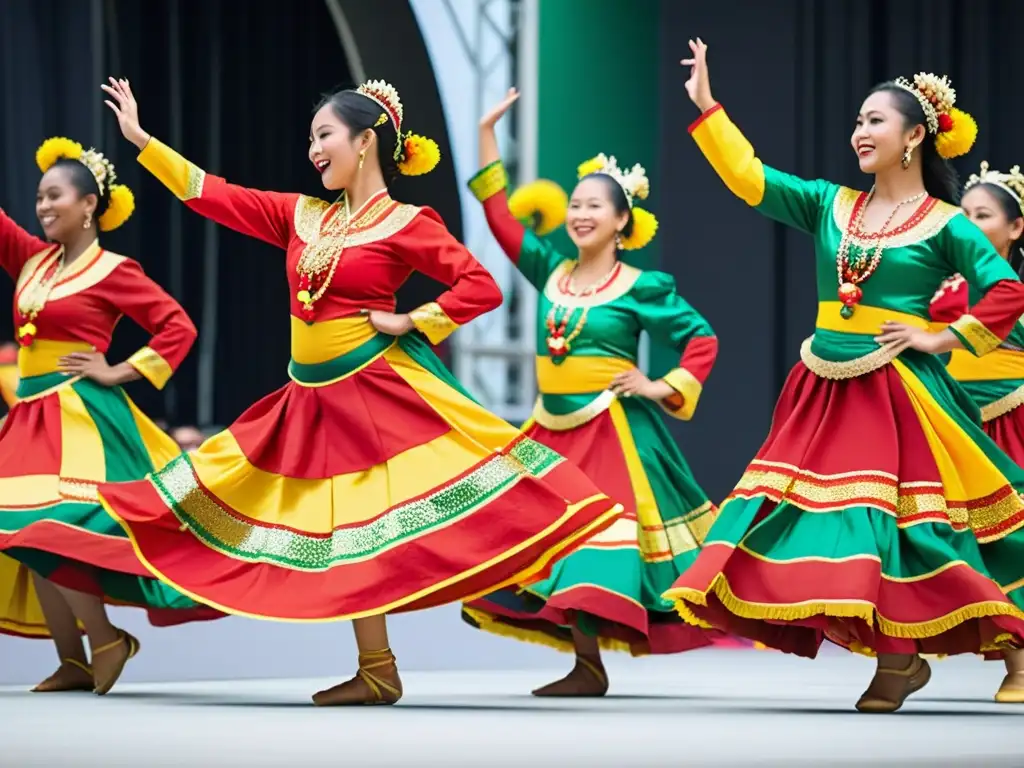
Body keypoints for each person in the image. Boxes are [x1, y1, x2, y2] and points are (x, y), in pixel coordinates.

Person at [96, 76, 624, 706]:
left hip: (375, 393)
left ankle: (382, 667)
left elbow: (479, 286)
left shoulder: (406, 223)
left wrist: (411, 321)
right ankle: (377, 668)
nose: (313, 150)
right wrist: (142, 140)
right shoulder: (301, 215)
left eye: (324, 135)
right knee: (313, 521)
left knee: (363, 527)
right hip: (308, 397)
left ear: (365, 140)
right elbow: (215, 195)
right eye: (311, 139)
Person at [663, 38, 1024, 713]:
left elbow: (1005, 291)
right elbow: (752, 179)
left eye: (875, 121)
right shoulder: (830, 205)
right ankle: (896, 658)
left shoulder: (947, 224)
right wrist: (709, 107)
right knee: (823, 521)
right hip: (823, 388)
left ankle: (897, 661)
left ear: (916, 135)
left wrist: (942, 335)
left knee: (889, 523)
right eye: (857, 120)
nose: (859, 131)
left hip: (898, 394)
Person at [460, 89, 719, 696]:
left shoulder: (642, 284)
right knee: (550, 539)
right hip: (549, 427)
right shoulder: (548, 268)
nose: (580, 214)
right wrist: (486, 134)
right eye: (575, 204)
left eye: (594, 207)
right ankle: (586, 665)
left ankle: (592, 662)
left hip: (614, 431)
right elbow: (499, 217)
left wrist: (661, 386)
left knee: (594, 543)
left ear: (622, 220)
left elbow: (701, 338)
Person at [0, 136, 220, 695]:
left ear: (89, 205)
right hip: (29, 416)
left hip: (80, 419)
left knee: (50, 526)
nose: (43, 207)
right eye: (39, 199)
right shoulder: (31, 259)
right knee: (28, 531)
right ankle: (74, 658)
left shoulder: (113, 270)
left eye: (55, 196)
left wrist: (119, 371)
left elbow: (177, 326)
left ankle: (106, 641)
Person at [928, 162, 1024, 703]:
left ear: (1016, 228)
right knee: (950, 537)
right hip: (953, 422)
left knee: (1009, 537)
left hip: (1013, 419)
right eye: (961, 215)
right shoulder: (937, 286)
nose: (967, 224)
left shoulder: (1013, 291)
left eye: (982, 216)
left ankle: (1020, 668)